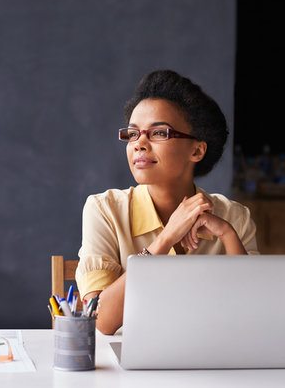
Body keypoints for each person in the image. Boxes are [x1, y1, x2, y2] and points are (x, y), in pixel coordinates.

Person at [75, 70, 259, 335]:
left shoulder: (234, 216)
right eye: (133, 133)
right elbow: (101, 320)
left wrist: (228, 234)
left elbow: (253, 313)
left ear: (196, 150)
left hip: (214, 364)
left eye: (159, 133)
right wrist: (165, 239)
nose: (139, 144)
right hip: (127, 369)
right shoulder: (104, 209)